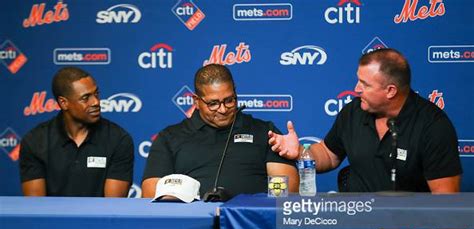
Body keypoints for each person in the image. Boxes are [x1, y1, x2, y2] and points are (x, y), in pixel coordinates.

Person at [268, 48, 462, 193]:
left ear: (390, 91)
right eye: (358, 80)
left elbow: (444, 200)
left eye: (365, 84)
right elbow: (328, 154)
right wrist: (300, 152)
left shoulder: (433, 126)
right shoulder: (354, 110)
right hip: (354, 225)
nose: (356, 89)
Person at [142, 64, 298, 198]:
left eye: (229, 100)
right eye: (213, 104)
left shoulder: (265, 132)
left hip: (251, 224)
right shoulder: (169, 138)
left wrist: (254, 208)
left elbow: (287, 191)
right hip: (192, 224)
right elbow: (151, 196)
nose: (223, 109)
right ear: (196, 101)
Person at [19, 67, 134, 197]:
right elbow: (36, 207)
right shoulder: (35, 141)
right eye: (85, 98)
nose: (96, 102)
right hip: (53, 217)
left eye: (96, 94)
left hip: (99, 217)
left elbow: (113, 207)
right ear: (64, 103)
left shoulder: (118, 139)